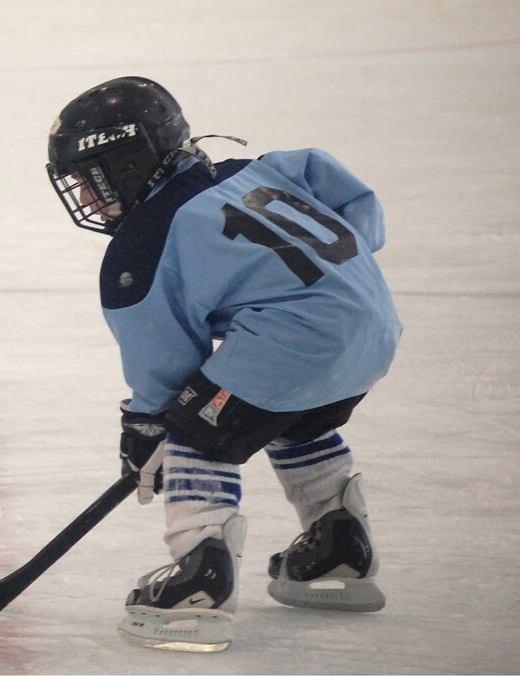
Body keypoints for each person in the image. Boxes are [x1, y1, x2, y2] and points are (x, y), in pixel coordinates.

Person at [45, 76, 401, 652]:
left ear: (132, 165)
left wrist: (147, 427)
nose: (89, 199)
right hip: (373, 327)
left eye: (95, 180)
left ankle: (198, 580)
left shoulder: (143, 242)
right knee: (291, 416)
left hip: (295, 344)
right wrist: (336, 275)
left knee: (194, 427)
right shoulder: (256, 170)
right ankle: (338, 547)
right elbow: (338, 184)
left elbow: (164, 368)